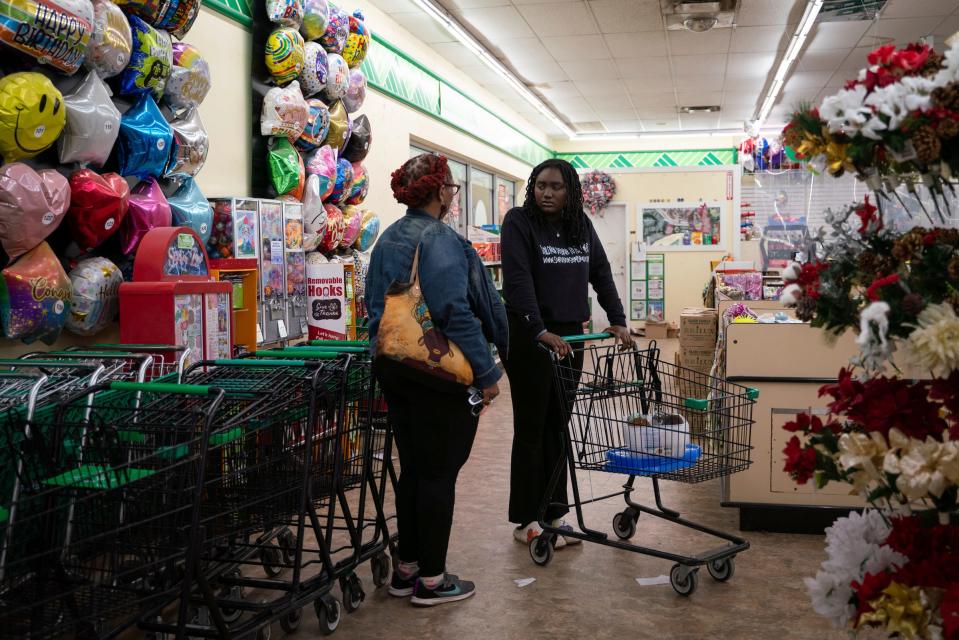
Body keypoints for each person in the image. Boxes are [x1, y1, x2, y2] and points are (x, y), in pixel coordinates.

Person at [365, 153, 508, 606]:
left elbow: (376, 310)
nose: (451, 197)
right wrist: (487, 372)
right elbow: (453, 311)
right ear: (440, 191)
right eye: (450, 189)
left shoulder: (387, 238)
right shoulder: (441, 239)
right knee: (439, 473)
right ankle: (432, 579)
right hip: (437, 371)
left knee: (414, 469)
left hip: (394, 366)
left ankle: (406, 568)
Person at [501, 158, 634, 545]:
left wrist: (618, 318)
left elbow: (601, 273)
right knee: (532, 427)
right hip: (529, 337)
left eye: (556, 186)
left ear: (571, 191)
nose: (547, 192)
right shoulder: (519, 222)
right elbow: (518, 279)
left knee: (559, 425)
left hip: (570, 339)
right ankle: (526, 518)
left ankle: (555, 514)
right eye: (541, 185)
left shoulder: (580, 226)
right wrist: (538, 329)